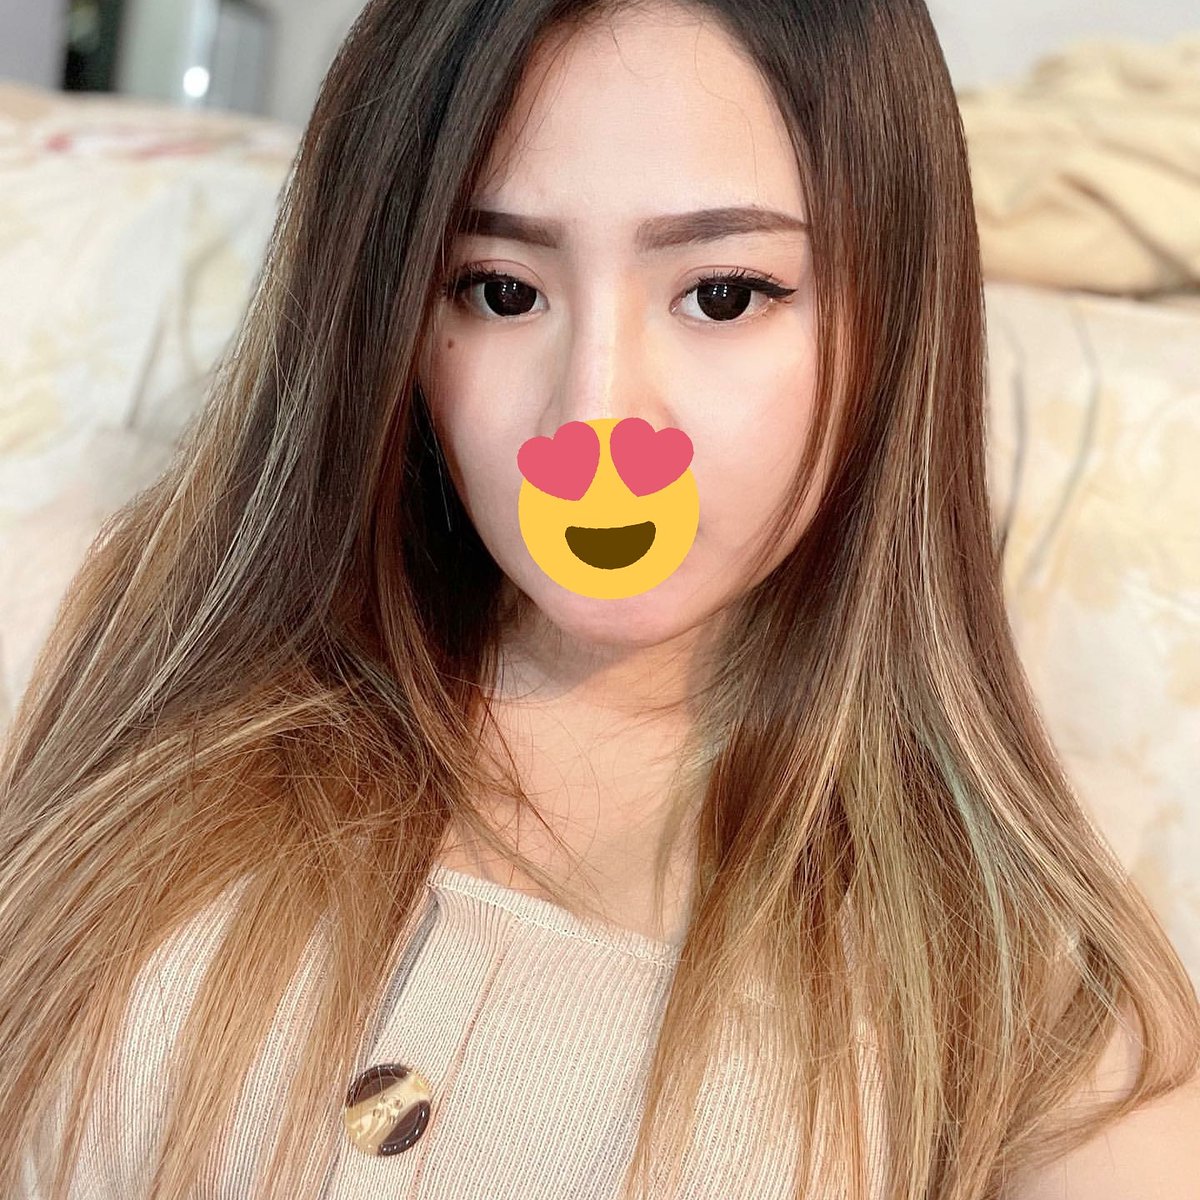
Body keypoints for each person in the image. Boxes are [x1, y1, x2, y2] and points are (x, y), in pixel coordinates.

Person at [2, 1, 1198, 1197]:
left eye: (724, 294)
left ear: (896, 321)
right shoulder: (80, 648)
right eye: (499, 290)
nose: (595, 422)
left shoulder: (1052, 1013)